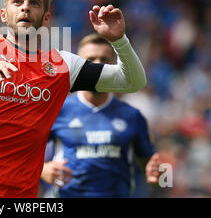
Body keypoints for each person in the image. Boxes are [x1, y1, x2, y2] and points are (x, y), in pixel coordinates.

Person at [0, 0, 147, 198]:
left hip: (22, 194)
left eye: (34, 3)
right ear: (4, 15)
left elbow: (132, 81)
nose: (25, 8)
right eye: (18, 2)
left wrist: (119, 40)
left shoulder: (63, 65)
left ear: (46, 18)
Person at [40, 34, 160, 198]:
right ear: (78, 67)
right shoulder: (57, 110)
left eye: (104, 60)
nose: (98, 66)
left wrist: (158, 177)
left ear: (114, 66)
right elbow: (21, 152)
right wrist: (42, 170)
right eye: (90, 60)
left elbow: (153, 168)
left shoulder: (132, 116)